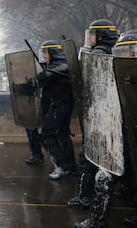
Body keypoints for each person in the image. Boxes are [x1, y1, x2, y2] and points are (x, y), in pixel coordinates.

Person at [75, 29, 136, 228]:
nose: (122, 55)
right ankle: (97, 219)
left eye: (126, 50)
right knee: (112, 172)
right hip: (123, 130)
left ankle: (97, 220)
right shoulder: (121, 72)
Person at [68, 19, 119, 210]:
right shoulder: (111, 52)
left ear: (101, 36)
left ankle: (86, 199)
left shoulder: (97, 54)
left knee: (91, 158)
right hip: (108, 114)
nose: (89, 37)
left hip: (100, 115)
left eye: (92, 34)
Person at [37, 40, 76, 180]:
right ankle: (70, 166)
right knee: (63, 134)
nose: (44, 55)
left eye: (45, 52)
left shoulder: (60, 65)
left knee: (48, 134)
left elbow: (43, 78)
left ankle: (61, 167)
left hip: (59, 105)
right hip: (62, 104)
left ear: (52, 52)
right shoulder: (59, 64)